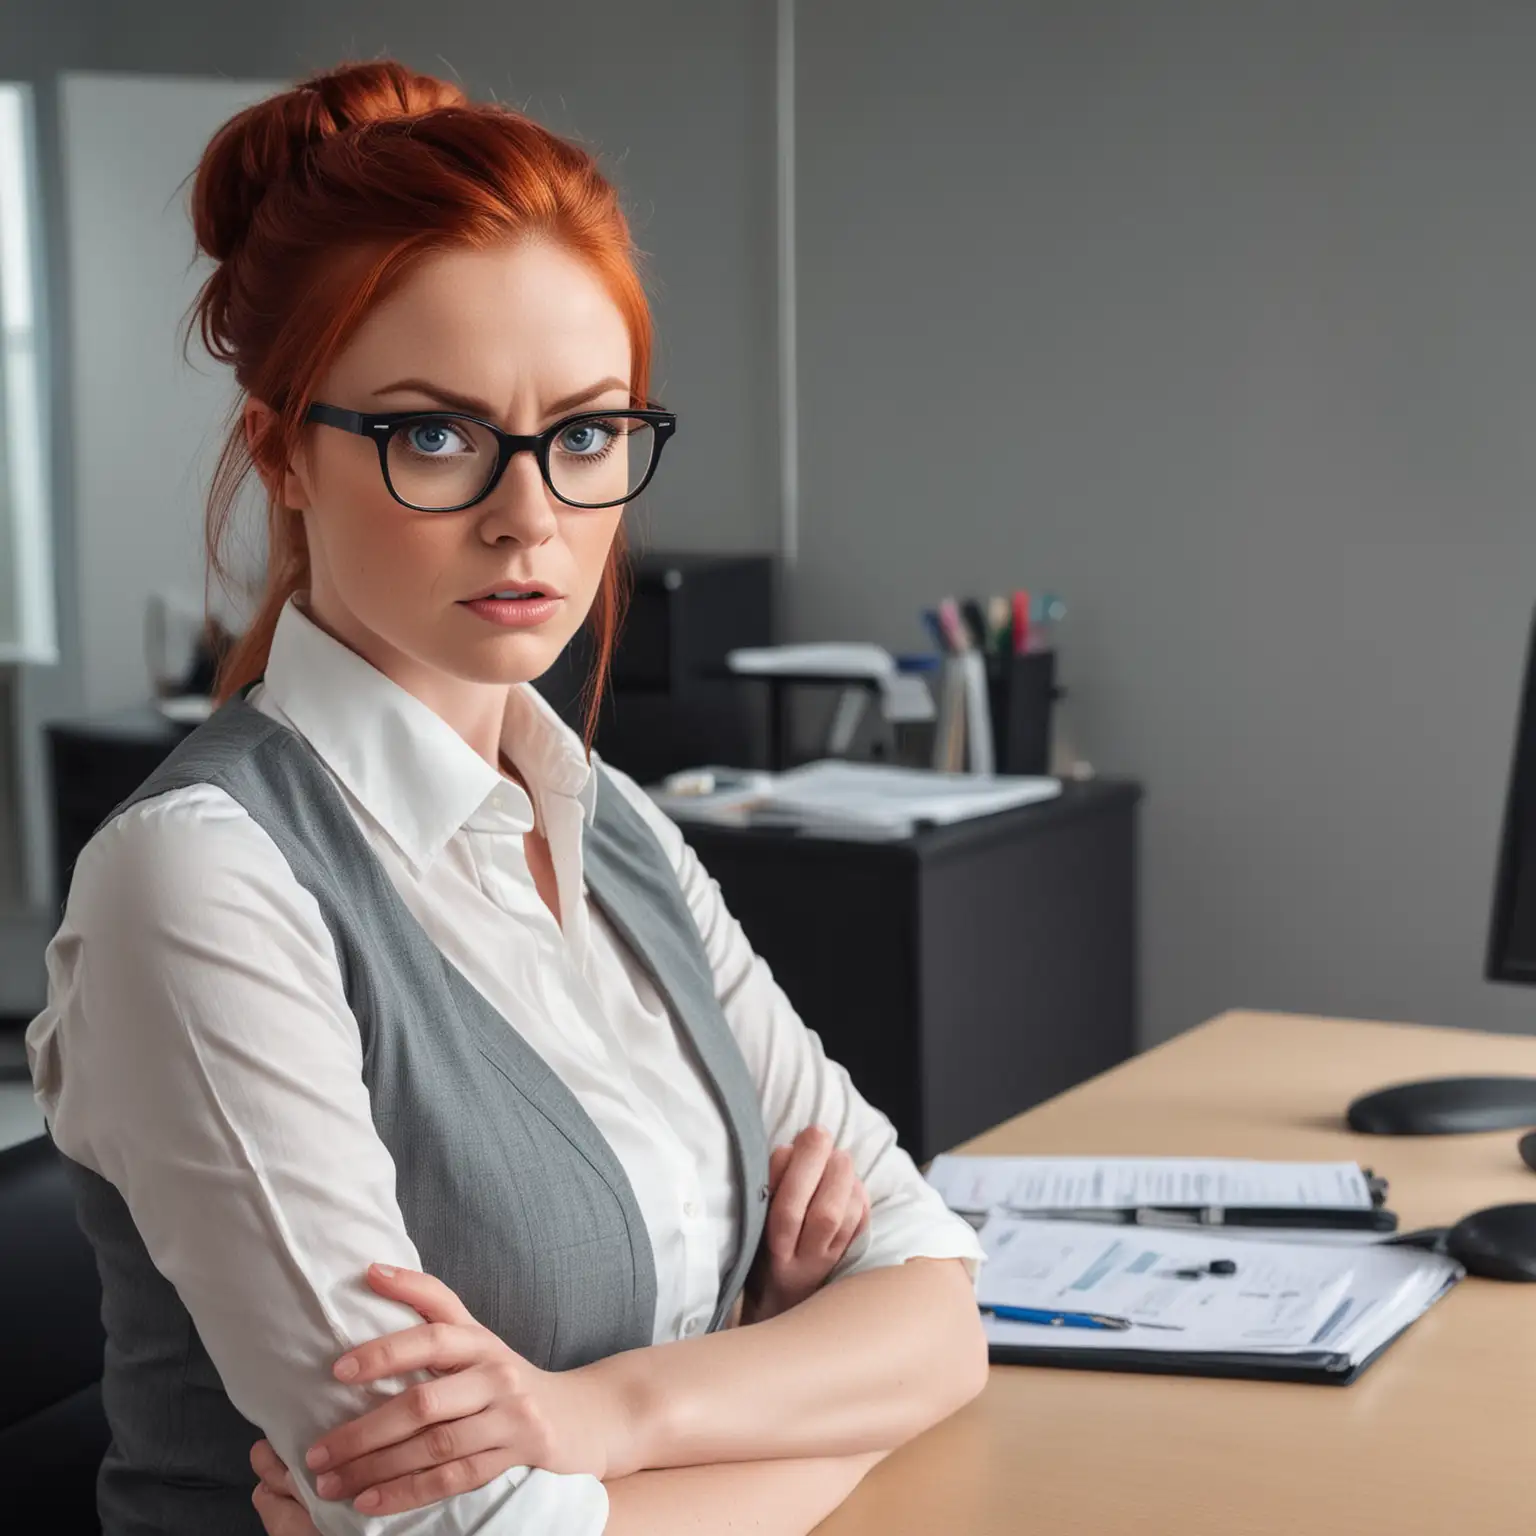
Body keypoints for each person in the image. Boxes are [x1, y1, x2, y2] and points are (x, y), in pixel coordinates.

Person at [25, 59, 989, 1536]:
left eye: (589, 434)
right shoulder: (201, 886)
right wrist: (810, 1394)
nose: (531, 515)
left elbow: (940, 1313)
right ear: (284, 449)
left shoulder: (612, 826)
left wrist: (610, 1417)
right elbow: (459, 1527)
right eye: (433, 433)